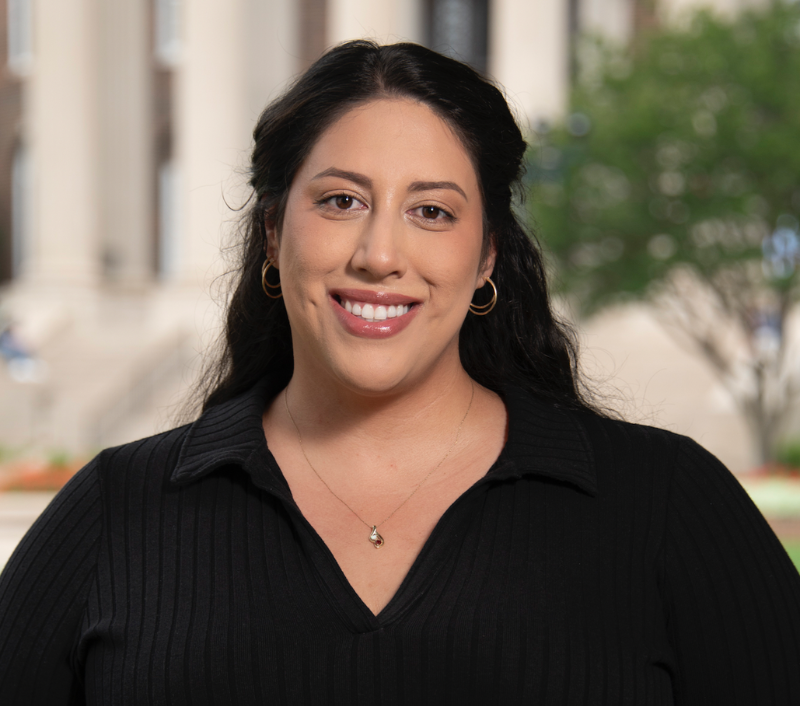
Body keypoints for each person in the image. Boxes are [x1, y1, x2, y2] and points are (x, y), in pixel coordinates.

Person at [1, 40, 798, 705]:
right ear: (275, 234)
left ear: (487, 254)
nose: (380, 255)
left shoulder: (664, 507)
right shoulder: (115, 518)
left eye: (433, 212)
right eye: (342, 201)